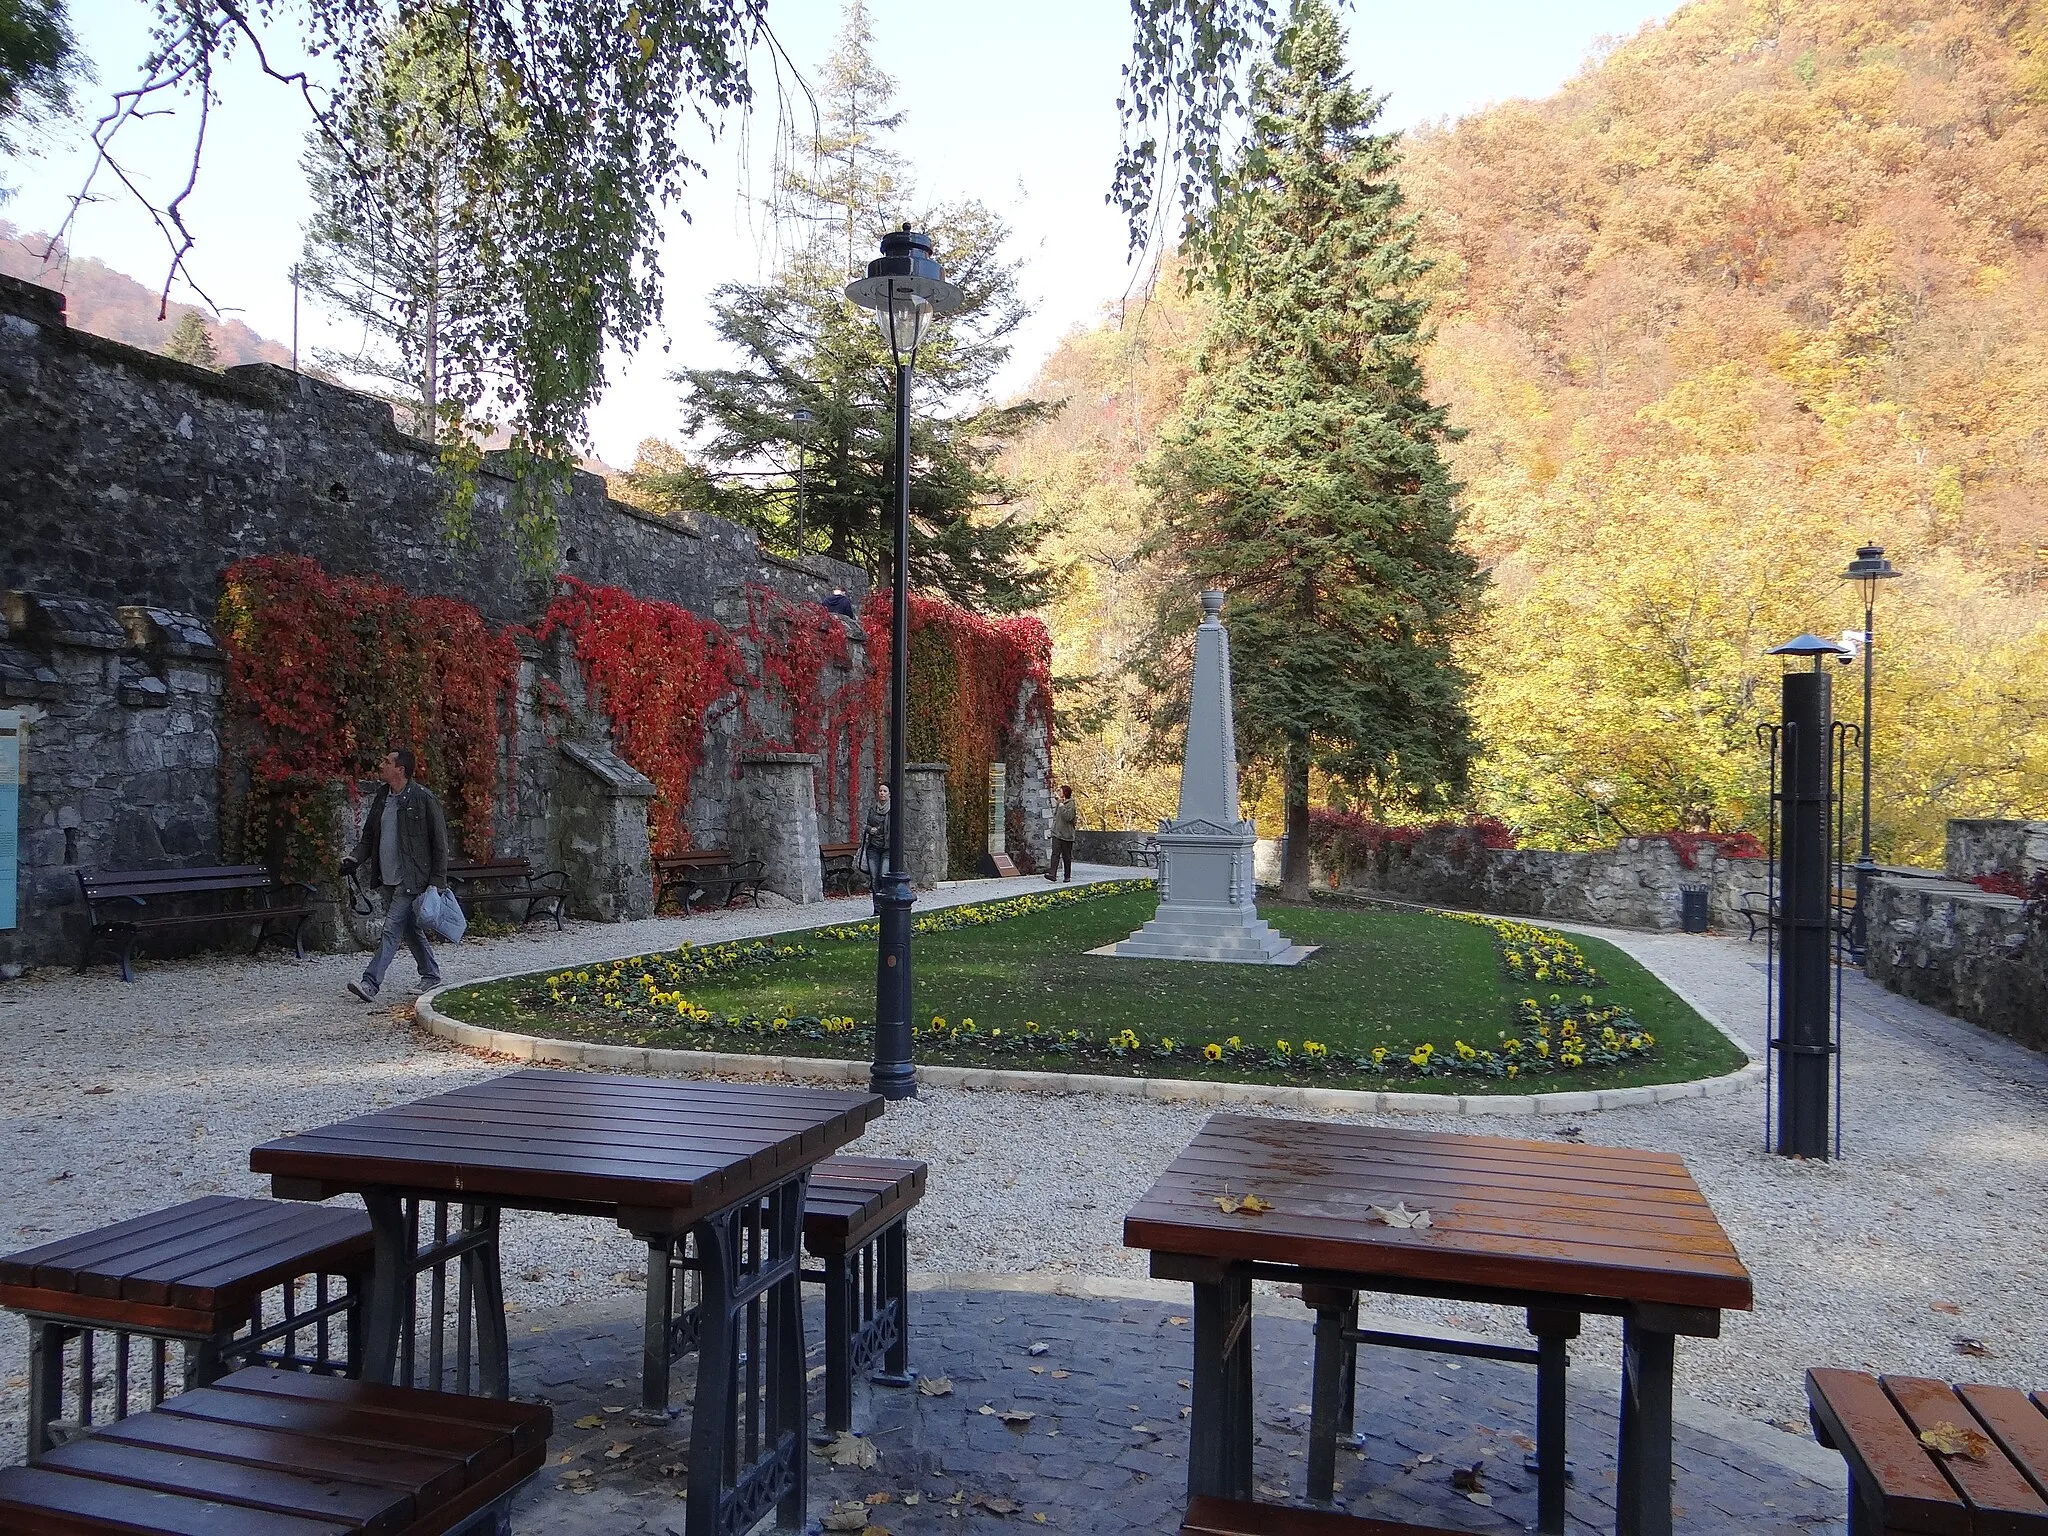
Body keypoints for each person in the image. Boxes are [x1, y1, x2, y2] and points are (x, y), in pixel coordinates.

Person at [340, 748, 451, 1002]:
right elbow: (368, 838)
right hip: (387, 878)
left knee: (391, 929)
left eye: (387, 762)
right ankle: (431, 975)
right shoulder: (382, 798)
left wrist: (437, 882)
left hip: (412, 880)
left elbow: (439, 844)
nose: (382, 765)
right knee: (409, 928)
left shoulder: (424, 799)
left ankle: (370, 983)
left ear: (400, 769)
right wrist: (354, 858)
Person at [862, 783, 891, 896]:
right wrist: (870, 829)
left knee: (883, 876)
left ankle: (884, 903)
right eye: (880, 791)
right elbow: (867, 824)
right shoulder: (873, 809)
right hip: (873, 847)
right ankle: (877, 907)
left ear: (889, 794)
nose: (882, 793)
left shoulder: (892, 810)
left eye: (885, 791)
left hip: (886, 848)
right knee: (874, 878)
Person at [1049, 781, 1076, 882]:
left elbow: (1068, 817)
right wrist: (1052, 830)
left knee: (1066, 856)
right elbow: (1056, 817)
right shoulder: (1059, 803)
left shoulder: (1071, 804)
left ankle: (1067, 876)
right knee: (1055, 854)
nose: (1058, 792)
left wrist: (1061, 806)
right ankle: (1052, 874)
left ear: (1065, 792)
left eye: (1060, 791)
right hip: (1057, 833)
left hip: (1066, 835)